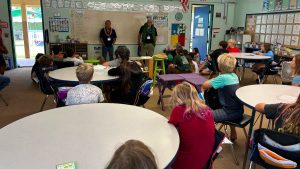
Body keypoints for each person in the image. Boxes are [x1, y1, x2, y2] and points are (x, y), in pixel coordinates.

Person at [169, 82, 215, 169]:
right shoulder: (207, 109)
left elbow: (170, 126)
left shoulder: (178, 110)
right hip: (206, 158)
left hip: (186, 163)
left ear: (178, 99)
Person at [202, 53, 244, 141]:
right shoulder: (234, 76)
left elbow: (204, 86)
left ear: (219, 66)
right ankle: (233, 133)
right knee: (223, 104)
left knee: (203, 115)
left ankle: (212, 139)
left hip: (229, 111)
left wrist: (212, 79)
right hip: (238, 109)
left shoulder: (222, 78)